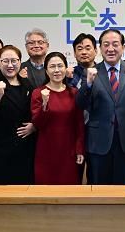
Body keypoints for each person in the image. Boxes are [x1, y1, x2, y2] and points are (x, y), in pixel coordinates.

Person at [76, 29, 125, 185]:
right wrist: (88, 84)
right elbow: (80, 104)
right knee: (97, 185)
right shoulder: (90, 72)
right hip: (98, 140)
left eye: (115, 44)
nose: (110, 49)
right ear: (100, 48)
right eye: (106, 44)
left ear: (123, 47)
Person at [0, 45, 36, 184]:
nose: (10, 65)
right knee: (1, 187)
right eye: (5, 61)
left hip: (25, 147)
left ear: (20, 62)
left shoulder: (27, 84)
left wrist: (34, 126)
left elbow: (35, 110)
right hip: (0, 147)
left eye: (14, 61)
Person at [31, 52, 85, 184]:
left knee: (69, 189)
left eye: (60, 66)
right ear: (46, 71)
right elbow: (38, 123)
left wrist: (79, 149)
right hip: (46, 151)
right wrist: (45, 103)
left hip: (69, 151)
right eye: (52, 66)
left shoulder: (74, 93)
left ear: (66, 68)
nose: (56, 70)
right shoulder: (38, 93)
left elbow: (79, 124)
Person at [66, 33, 97, 181]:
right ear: (74, 53)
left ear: (96, 51)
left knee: (96, 177)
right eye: (79, 48)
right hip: (73, 133)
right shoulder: (68, 75)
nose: (84, 52)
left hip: (97, 132)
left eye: (88, 48)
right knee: (73, 176)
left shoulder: (104, 73)